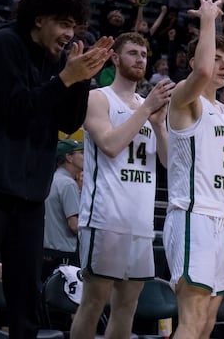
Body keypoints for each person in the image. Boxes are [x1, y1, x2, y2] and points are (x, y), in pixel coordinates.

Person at [0, 0, 114, 339]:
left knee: (25, 296)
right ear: (39, 18)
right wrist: (67, 76)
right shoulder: (3, 44)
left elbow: (67, 121)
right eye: (63, 23)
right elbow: (18, 110)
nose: (69, 33)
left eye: (74, 26)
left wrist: (81, 80)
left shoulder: (55, 60)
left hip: (29, 193)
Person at [70, 32, 175, 338]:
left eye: (143, 54)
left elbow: (168, 163)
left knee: (127, 307)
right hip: (105, 217)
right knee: (93, 304)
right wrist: (145, 112)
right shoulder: (98, 98)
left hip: (140, 222)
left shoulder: (149, 105)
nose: (139, 59)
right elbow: (111, 145)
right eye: (132, 53)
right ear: (115, 58)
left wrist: (158, 125)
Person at [162, 0, 224, 339]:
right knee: (191, 321)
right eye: (216, 57)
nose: (221, 66)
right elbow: (203, 70)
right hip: (191, 215)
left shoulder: (223, 111)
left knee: (207, 323)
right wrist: (209, 20)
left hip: (219, 221)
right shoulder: (184, 98)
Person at [41, 139, 84, 281]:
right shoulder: (68, 184)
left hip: (45, 252)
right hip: (62, 256)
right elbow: (74, 225)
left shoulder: (51, 178)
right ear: (68, 157)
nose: (85, 156)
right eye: (81, 153)